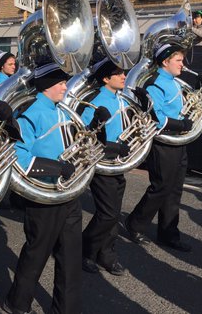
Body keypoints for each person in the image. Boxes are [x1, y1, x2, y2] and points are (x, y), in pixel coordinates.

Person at [3, 60, 81, 314]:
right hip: (43, 194)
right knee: (37, 253)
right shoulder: (30, 111)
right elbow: (18, 155)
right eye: (60, 83)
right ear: (47, 86)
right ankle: (17, 303)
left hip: (68, 192)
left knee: (70, 258)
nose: (65, 87)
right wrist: (55, 168)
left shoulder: (63, 110)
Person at [125, 44, 195, 252]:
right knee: (161, 187)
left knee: (175, 190)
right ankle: (135, 224)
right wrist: (181, 124)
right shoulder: (155, 83)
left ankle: (169, 233)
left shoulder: (174, 82)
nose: (183, 64)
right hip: (163, 142)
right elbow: (156, 117)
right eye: (179, 61)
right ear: (165, 62)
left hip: (178, 142)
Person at [80, 60, 132, 277]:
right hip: (102, 163)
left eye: (123, 72)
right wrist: (113, 147)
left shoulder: (120, 99)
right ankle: (86, 251)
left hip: (118, 163)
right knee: (108, 214)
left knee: (114, 214)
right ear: (105, 79)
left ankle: (107, 254)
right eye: (117, 73)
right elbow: (85, 135)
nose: (123, 76)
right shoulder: (96, 102)